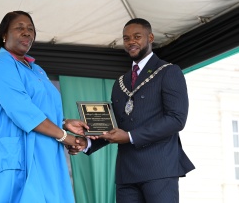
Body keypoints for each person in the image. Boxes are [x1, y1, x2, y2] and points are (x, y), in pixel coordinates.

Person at [68, 18, 195, 203]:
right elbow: (116, 125)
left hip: (159, 169)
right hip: (126, 172)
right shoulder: (120, 82)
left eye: (137, 36)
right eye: (126, 38)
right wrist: (86, 142)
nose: (131, 42)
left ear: (150, 37)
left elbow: (176, 119)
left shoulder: (169, 71)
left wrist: (130, 136)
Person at [0, 10, 88, 203]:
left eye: (31, 29)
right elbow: (22, 110)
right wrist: (64, 137)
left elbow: (40, 107)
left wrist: (64, 123)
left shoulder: (36, 69)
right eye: (19, 28)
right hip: (18, 151)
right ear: (4, 35)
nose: (27, 33)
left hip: (45, 150)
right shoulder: (0, 65)